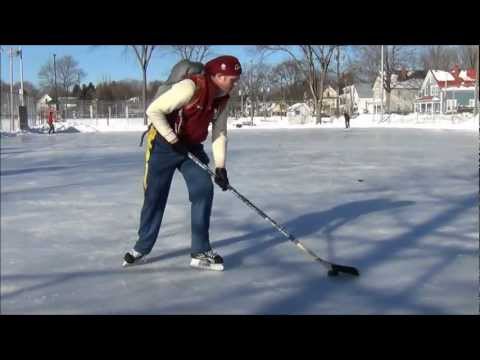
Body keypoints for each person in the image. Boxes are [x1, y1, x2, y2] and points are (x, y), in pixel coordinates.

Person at [123, 55, 242, 271]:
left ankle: (200, 251)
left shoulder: (222, 98)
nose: (235, 83)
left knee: (203, 189)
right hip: (163, 144)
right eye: (232, 79)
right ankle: (142, 246)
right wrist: (172, 139)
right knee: (155, 196)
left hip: (191, 147)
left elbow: (219, 132)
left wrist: (221, 166)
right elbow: (154, 111)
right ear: (218, 76)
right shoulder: (190, 87)